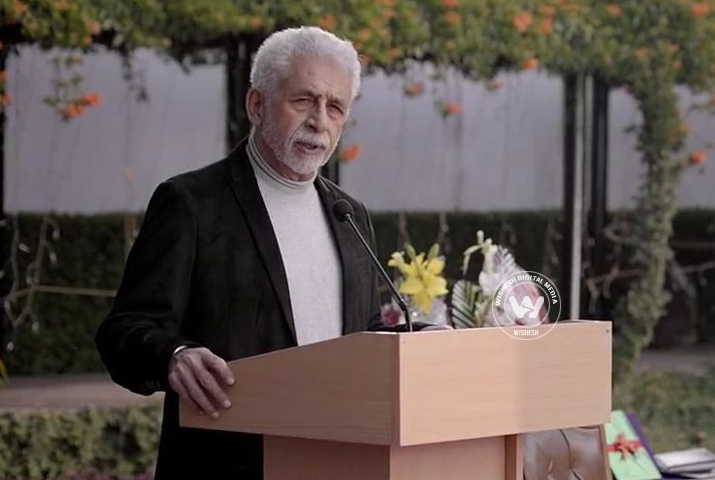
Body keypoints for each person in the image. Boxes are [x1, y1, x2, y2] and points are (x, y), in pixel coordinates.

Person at [96, 26, 424, 479]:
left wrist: (419, 339)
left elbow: (360, 336)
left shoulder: (349, 215)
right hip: (224, 464)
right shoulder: (190, 204)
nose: (319, 121)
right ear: (257, 105)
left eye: (335, 107)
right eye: (303, 100)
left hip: (342, 460)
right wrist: (174, 355)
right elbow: (123, 331)